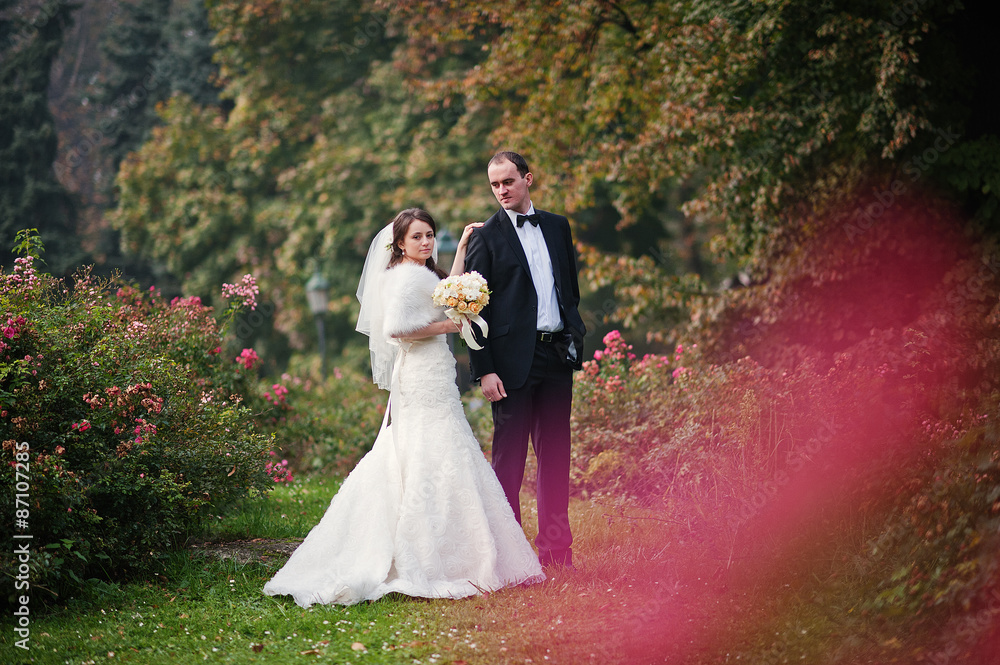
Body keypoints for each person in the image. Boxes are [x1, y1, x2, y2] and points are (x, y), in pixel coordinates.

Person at [263, 208, 544, 607]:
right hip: (422, 374)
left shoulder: (418, 273)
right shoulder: (407, 277)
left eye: (429, 235)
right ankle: (434, 557)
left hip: (428, 371)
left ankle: (449, 550)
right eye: (417, 237)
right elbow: (396, 328)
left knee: (434, 447)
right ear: (399, 244)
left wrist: (462, 246)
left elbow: (451, 288)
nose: (426, 242)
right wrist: (448, 326)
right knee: (438, 447)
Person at [464, 151, 586, 569]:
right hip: (510, 366)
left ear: (528, 179)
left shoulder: (557, 225)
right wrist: (484, 368)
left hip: (555, 355)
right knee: (508, 463)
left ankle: (557, 554)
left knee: (555, 458)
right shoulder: (486, 236)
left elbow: (569, 288)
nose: (501, 190)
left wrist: (574, 335)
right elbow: (472, 310)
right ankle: (511, 558)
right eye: (495, 184)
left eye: (508, 181)